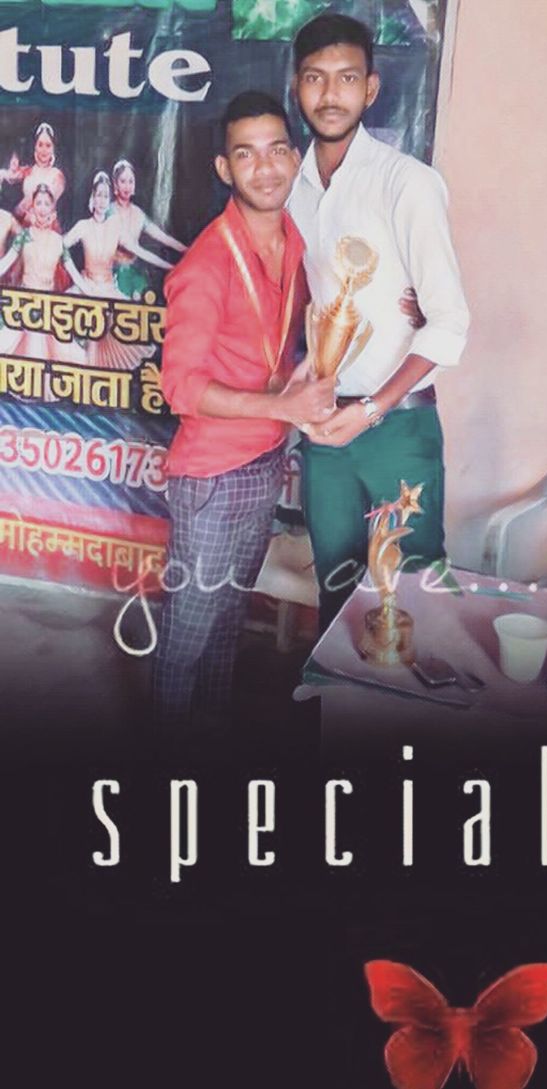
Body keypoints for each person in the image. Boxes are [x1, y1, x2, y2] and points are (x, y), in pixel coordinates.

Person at [152, 91, 335, 744]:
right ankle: (164, 753)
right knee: (189, 627)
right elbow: (180, 387)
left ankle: (209, 730)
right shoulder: (206, 266)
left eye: (277, 149)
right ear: (225, 168)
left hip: (264, 459)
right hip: (211, 477)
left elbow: (280, 341)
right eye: (246, 154)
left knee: (230, 613)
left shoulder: (296, 240)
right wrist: (281, 405)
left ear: (295, 157)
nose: (266, 167)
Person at [288, 12, 470, 630]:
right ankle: (330, 693)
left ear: (370, 89)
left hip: (399, 426)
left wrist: (372, 409)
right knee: (336, 587)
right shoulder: (292, 189)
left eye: (346, 78)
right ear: (297, 87)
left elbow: (449, 321)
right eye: (314, 77)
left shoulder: (407, 184)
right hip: (324, 426)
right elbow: (308, 300)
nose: (329, 94)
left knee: (411, 595)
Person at [64, 171, 158, 369]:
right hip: (85, 288)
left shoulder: (115, 225)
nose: (102, 200)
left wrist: (171, 265)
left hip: (108, 290)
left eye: (106, 196)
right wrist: (77, 278)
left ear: (109, 200)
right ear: (93, 197)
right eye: (99, 195)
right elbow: (60, 246)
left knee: (133, 327)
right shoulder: (83, 226)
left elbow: (139, 251)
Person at [0, 184, 89, 373]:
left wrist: (95, 293)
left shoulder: (58, 241)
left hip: (49, 309)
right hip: (23, 306)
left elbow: (75, 274)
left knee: (74, 359)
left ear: (52, 209)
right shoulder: (24, 237)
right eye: (38, 203)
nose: (42, 208)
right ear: (32, 208)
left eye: (46, 204)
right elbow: (5, 263)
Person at [111, 158, 185, 298]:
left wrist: (189, 250)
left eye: (131, 181)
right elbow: (138, 250)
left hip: (135, 273)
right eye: (123, 181)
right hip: (114, 274)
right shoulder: (110, 212)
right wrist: (173, 267)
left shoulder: (138, 213)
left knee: (144, 295)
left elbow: (163, 238)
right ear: (115, 184)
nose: (127, 186)